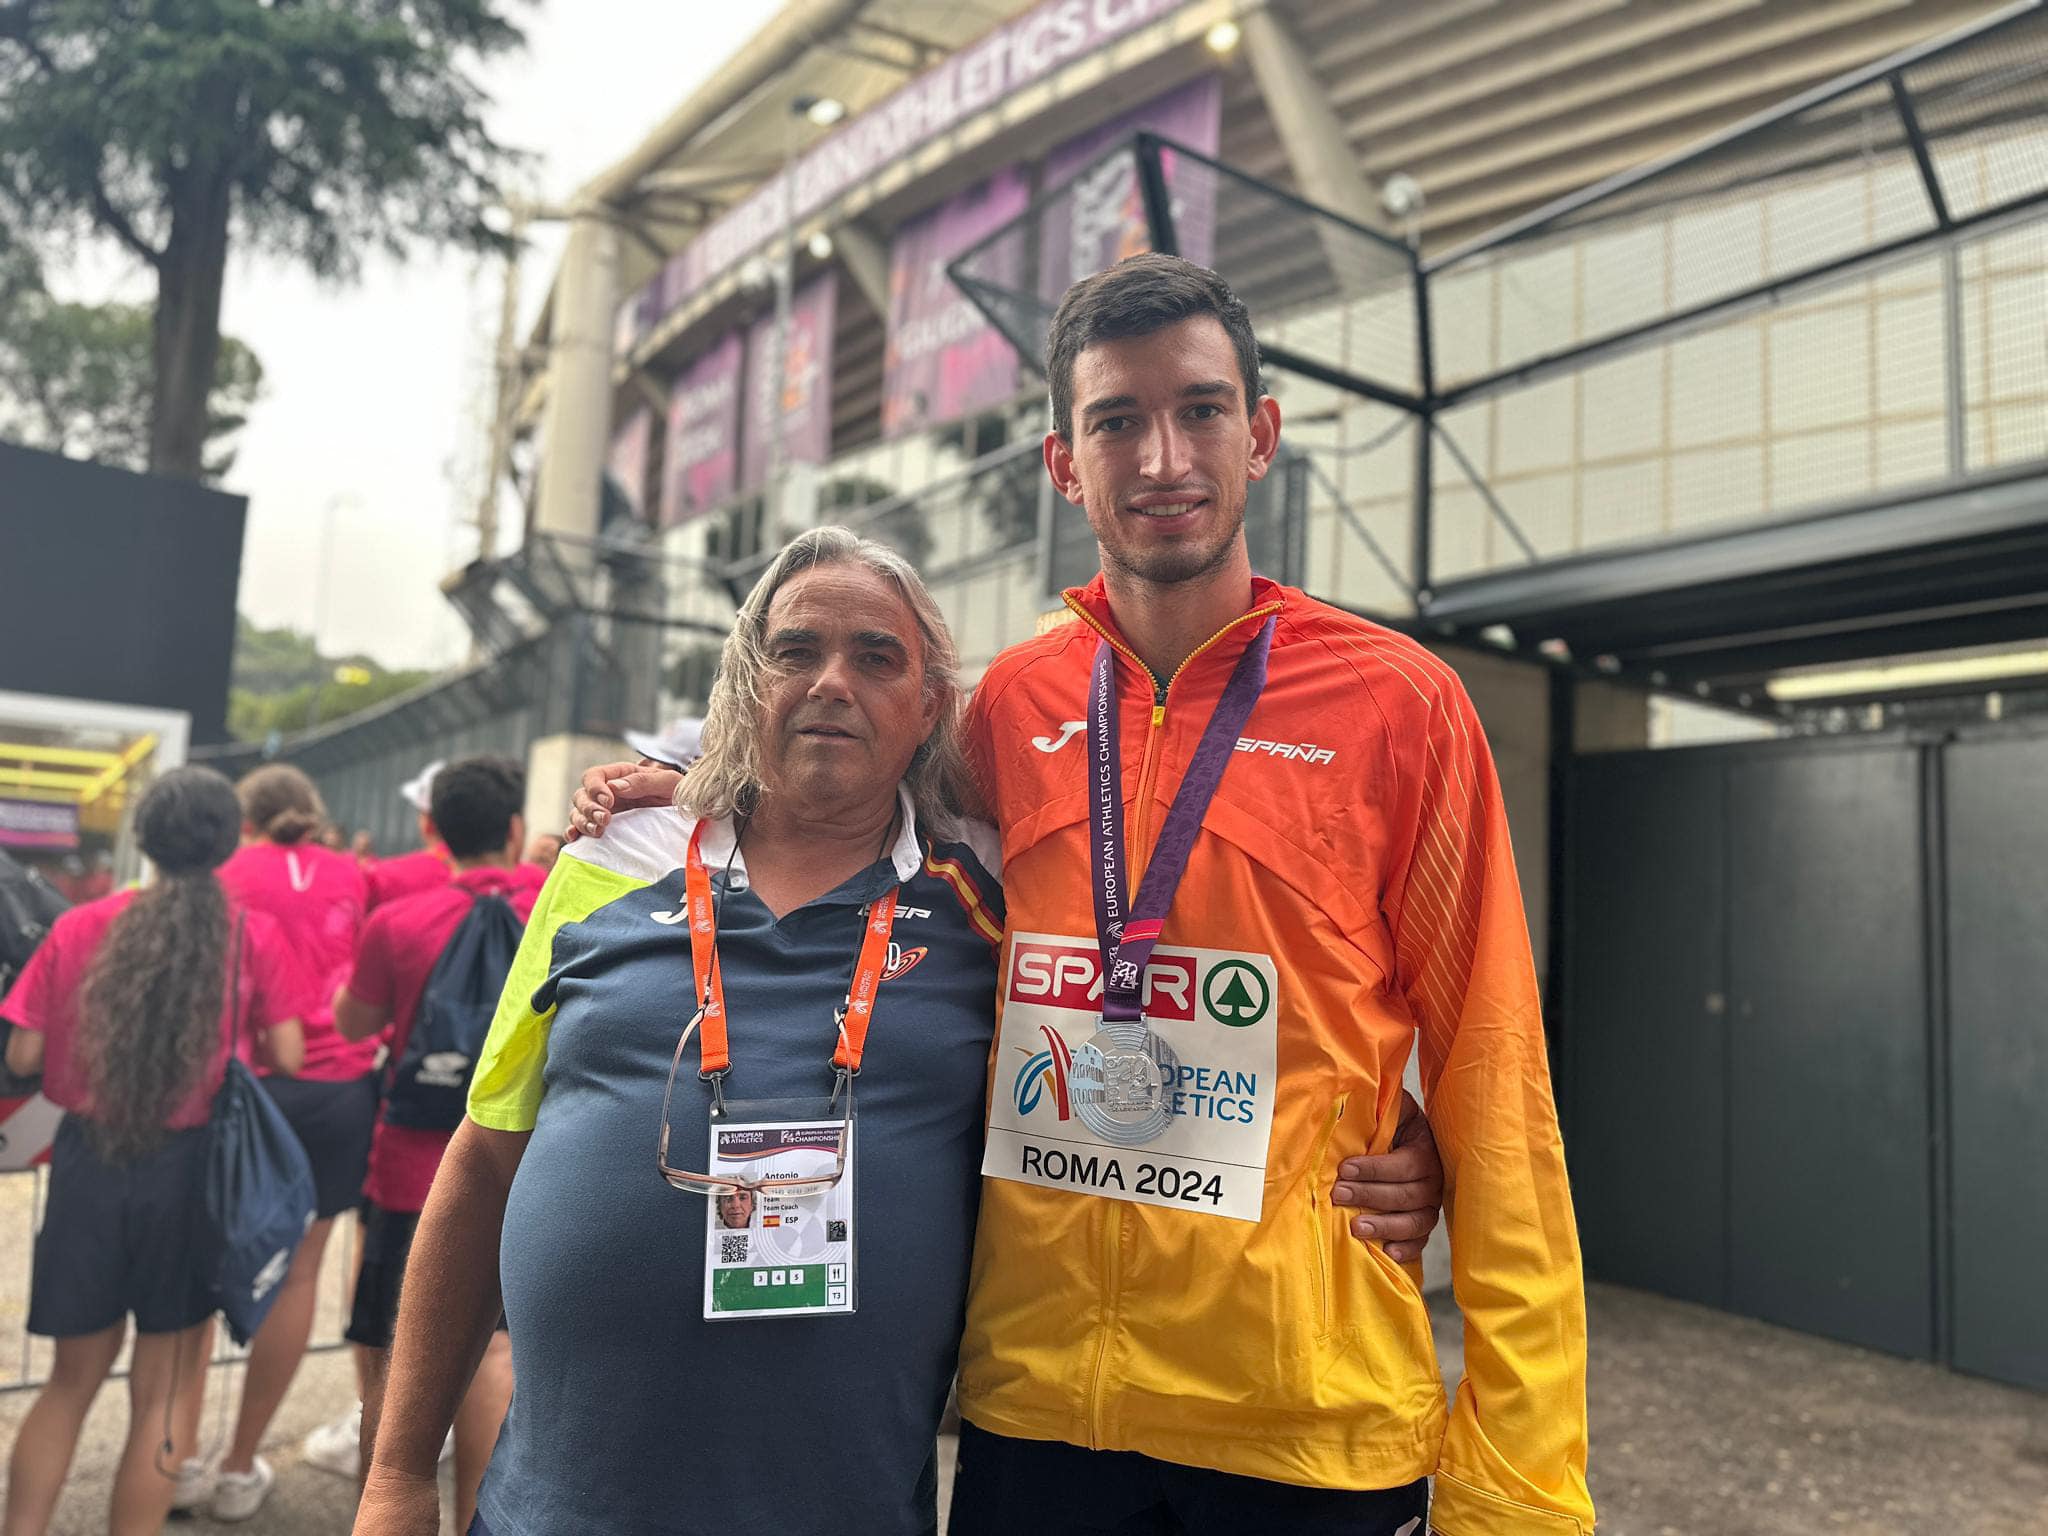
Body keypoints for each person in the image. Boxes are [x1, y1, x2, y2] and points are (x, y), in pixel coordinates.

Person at [576, 254, 1587, 1536]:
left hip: (1301, 1425)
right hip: (1039, 1418)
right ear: (1065, 464)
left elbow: (1494, 1069)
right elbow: (842, 807)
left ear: (1259, 435)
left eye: (1200, 410)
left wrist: (1524, 1489)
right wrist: (685, 783)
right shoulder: (1010, 705)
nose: (1162, 456)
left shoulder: (1399, 706)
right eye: (1116, 420)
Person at [0, 767, 309, 1536]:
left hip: (88, 1165)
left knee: (68, 1385)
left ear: (143, 839)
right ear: (228, 843)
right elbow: (292, 1054)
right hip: (194, 1172)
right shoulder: (246, 936)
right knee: (165, 1390)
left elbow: (26, 1056)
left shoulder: (77, 927)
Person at [168, 765, 377, 1519]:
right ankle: (237, 1463)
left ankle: (177, 1459)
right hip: (339, 1093)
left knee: (199, 1272)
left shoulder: (226, 875)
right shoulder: (354, 875)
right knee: (300, 1273)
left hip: (241, 1088)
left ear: (245, 823)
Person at [333, 755, 532, 1536]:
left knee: (397, 1353)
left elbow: (354, 1025)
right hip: (515, 1164)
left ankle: (382, 1507)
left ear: (431, 830)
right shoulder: (557, 904)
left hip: (409, 1171)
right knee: (493, 1352)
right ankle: (479, 1519)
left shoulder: (399, 921)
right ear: (515, 829)